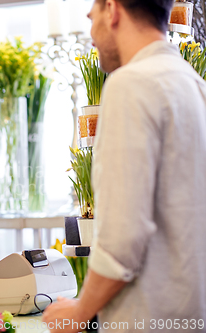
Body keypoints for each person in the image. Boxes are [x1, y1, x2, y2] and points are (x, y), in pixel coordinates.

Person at [43, 0, 206, 332]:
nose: (90, 33)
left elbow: (123, 237)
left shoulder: (129, 84)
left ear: (112, 10)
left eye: (92, 18)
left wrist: (79, 312)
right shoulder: (194, 85)